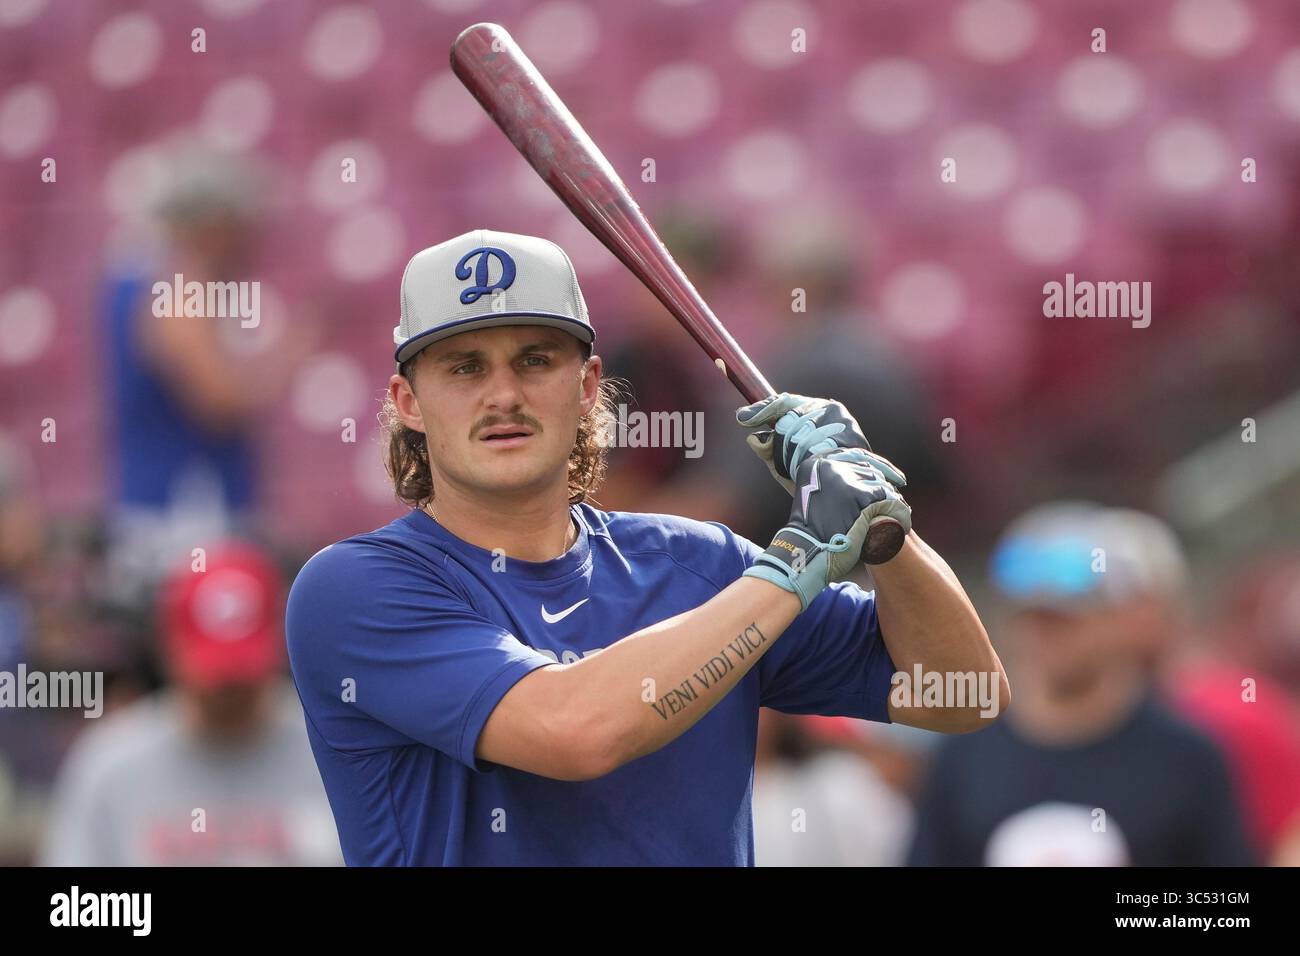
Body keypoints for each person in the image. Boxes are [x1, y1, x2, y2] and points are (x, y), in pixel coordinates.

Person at [285, 228, 1006, 866]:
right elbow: (576, 731)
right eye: (465, 367)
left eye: (535, 361)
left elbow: (963, 695)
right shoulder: (355, 588)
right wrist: (797, 557)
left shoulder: (705, 566)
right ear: (408, 402)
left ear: (588, 385)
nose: (502, 394)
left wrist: (882, 527)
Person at [907, 502, 1256, 866]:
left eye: (1065, 619)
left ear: (1117, 618)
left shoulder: (1186, 756)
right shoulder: (962, 758)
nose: (1044, 637)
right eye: (1029, 618)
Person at [40, 542, 342, 866]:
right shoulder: (110, 764)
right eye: (215, 676)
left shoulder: (339, 750)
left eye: (242, 673)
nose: (229, 692)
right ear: (168, 649)